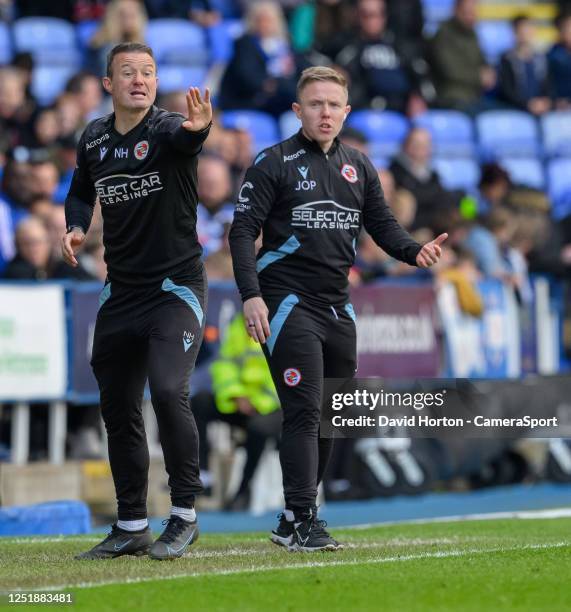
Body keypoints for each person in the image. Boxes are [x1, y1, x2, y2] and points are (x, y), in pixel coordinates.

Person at [228, 66, 446, 552]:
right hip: (285, 302)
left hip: (337, 306)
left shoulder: (360, 166)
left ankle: (291, 519)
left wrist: (416, 251)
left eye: (334, 105)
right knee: (303, 412)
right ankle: (306, 517)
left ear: (346, 112)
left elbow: (383, 227)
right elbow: (242, 233)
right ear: (298, 110)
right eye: (315, 104)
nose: (325, 112)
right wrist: (251, 295)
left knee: (330, 416)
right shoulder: (272, 163)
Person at [62, 42, 212, 560]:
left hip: (175, 289)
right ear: (109, 83)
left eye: (148, 72)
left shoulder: (168, 129)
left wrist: (198, 128)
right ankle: (130, 525)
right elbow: (80, 190)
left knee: (169, 391)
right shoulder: (95, 138)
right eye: (128, 72)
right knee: (117, 406)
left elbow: (190, 141)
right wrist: (77, 227)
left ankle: (185, 515)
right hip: (121, 293)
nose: (140, 80)